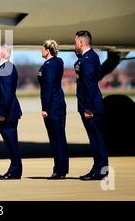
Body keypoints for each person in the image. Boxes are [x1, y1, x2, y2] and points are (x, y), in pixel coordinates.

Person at [74, 30, 109, 180]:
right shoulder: (88, 57)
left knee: (96, 139)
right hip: (90, 104)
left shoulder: (88, 59)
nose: (74, 45)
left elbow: (89, 84)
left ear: (81, 42)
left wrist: (87, 107)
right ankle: (98, 168)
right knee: (95, 138)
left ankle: (100, 170)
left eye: (75, 42)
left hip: (91, 106)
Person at [37, 40, 69, 179]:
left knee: (55, 139)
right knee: (60, 137)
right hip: (59, 103)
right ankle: (63, 169)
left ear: (48, 51)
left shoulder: (49, 65)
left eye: (42, 49)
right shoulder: (59, 61)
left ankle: (58, 170)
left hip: (52, 106)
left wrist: (45, 108)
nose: (40, 51)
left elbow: (48, 87)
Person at [0, 45, 22, 180]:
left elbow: (7, 93)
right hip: (3, 109)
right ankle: (14, 169)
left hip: (7, 112)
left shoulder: (7, 67)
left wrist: (2, 112)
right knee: (9, 142)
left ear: (3, 53)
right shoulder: (2, 68)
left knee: (11, 141)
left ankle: (15, 170)